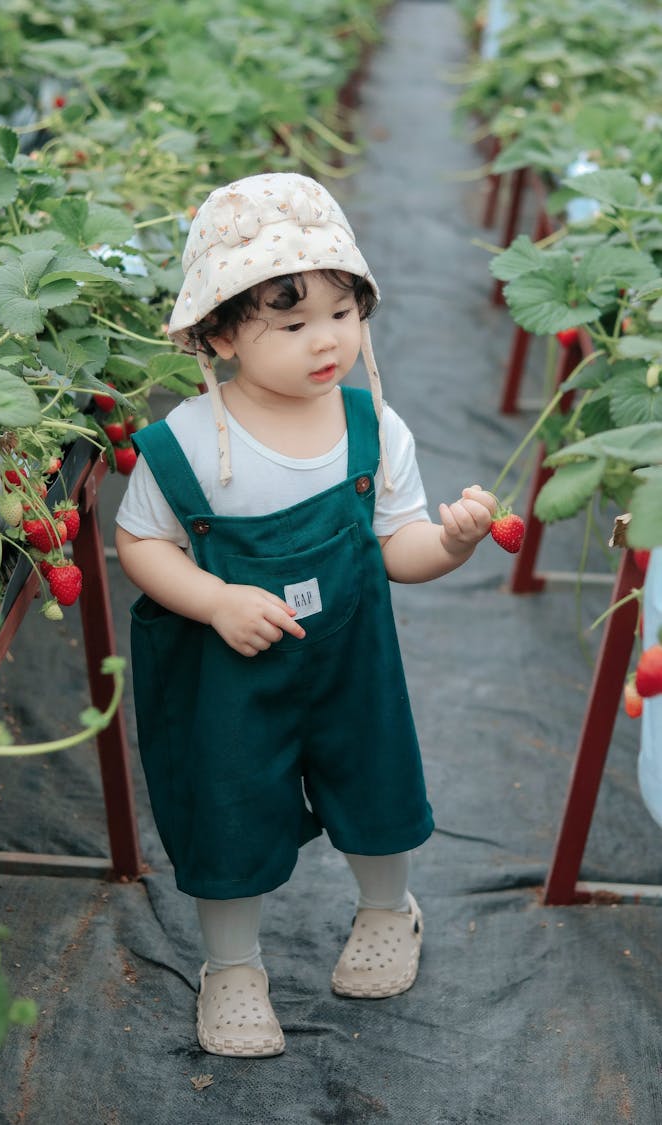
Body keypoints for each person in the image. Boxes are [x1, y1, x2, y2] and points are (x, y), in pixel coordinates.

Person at [115, 171, 496, 1059]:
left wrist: (454, 542)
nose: (324, 341)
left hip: (348, 658)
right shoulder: (186, 446)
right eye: (289, 324)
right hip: (229, 670)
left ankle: (387, 910)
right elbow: (141, 546)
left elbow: (398, 547)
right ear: (218, 335)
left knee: (376, 782)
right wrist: (214, 599)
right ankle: (232, 964)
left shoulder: (372, 427)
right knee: (227, 807)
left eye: (340, 311)